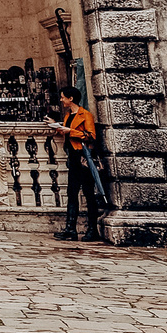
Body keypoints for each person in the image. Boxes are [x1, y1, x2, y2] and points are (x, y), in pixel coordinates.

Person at [53, 87, 108, 241]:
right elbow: (67, 130)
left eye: (63, 97)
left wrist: (70, 131)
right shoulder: (68, 115)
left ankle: (92, 229)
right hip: (73, 157)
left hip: (84, 157)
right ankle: (70, 229)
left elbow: (91, 136)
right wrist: (56, 126)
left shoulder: (86, 115)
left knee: (89, 194)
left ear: (71, 98)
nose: (62, 100)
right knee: (72, 193)